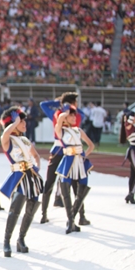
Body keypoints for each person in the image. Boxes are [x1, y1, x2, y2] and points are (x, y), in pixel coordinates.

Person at [38, 93, 89, 225]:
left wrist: (58, 104)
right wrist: (68, 107)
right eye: (75, 103)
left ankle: (44, 214)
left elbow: (43, 105)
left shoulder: (57, 114)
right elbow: (81, 116)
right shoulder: (75, 116)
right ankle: (81, 216)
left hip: (57, 150)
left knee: (50, 182)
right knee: (75, 184)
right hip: (69, 151)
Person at [0, 107, 43, 257]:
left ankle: (21, 239)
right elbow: (5, 134)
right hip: (18, 177)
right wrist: (14, 122)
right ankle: (6, 242)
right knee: (15, 209)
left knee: (32, 208)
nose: (24, 123)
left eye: (23, 120)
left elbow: (36, 156)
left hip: (31, 177)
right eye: (21, 120)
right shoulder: (7, 139)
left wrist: (37, 168)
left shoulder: (24, 139)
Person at [55, 105, 94, 234]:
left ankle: (71, 221)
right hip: (68, 162)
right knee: (66, 193)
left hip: (80, 163)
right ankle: (71, 222)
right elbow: (59, 118)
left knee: (81, 192)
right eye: (70, 115)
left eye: (74, 115)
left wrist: (84, 155)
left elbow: (91, 145)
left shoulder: (78, 130)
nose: (73, 117)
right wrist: (65, 112)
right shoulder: (61, 130)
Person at [121, 112, 135, 204]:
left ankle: (131, 196)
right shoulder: (128, 125)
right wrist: (130, 116)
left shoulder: (134, 127)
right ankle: (131, 194)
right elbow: (127, 123)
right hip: (133, 151)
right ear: (132, 118)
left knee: (134, 174)